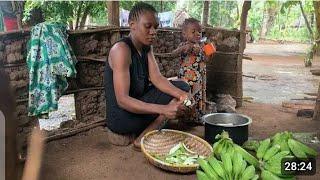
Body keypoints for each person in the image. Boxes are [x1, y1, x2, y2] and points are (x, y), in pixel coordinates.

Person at [104, 2, 190, 150]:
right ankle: (141, 140)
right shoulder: (121, 50)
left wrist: (182, 95)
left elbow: (157, 79)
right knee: (168, 104)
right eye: (148, 26)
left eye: (155, 27)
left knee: (182, 86)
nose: (153, 31)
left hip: (137, 107)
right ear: (132, 25)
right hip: (122, 118)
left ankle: (145, 134)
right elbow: (123, 100)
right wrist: (163, 109)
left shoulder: (146, 48)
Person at [172, 18, 216, 124]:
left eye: (199, 32)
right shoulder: (184, 45)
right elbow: (173, 54)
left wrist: (210, 50)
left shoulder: (202, 46)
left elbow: (207, 60)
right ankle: (184, 118)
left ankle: (197, 118)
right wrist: (183, 49)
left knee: (198, 98)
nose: (197, 34)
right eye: (193, 32)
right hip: (186, 81)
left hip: (199, 80)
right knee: (186, 98)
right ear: (184, 34)